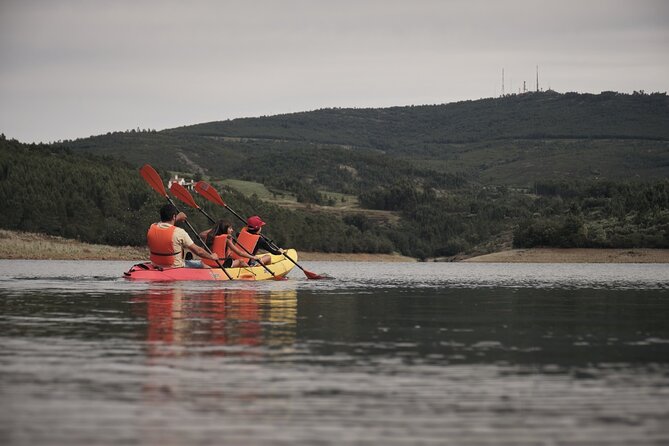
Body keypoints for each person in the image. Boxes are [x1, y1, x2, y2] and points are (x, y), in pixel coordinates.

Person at [147, 204, 219, 268]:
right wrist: (211, 257)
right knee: (202, 264)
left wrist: (176, 218)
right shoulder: (179, 232)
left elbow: (163, 224)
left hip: (155, 264)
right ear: (174, 216)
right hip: (174, 266)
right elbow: (198, 251)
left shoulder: (152, 227)